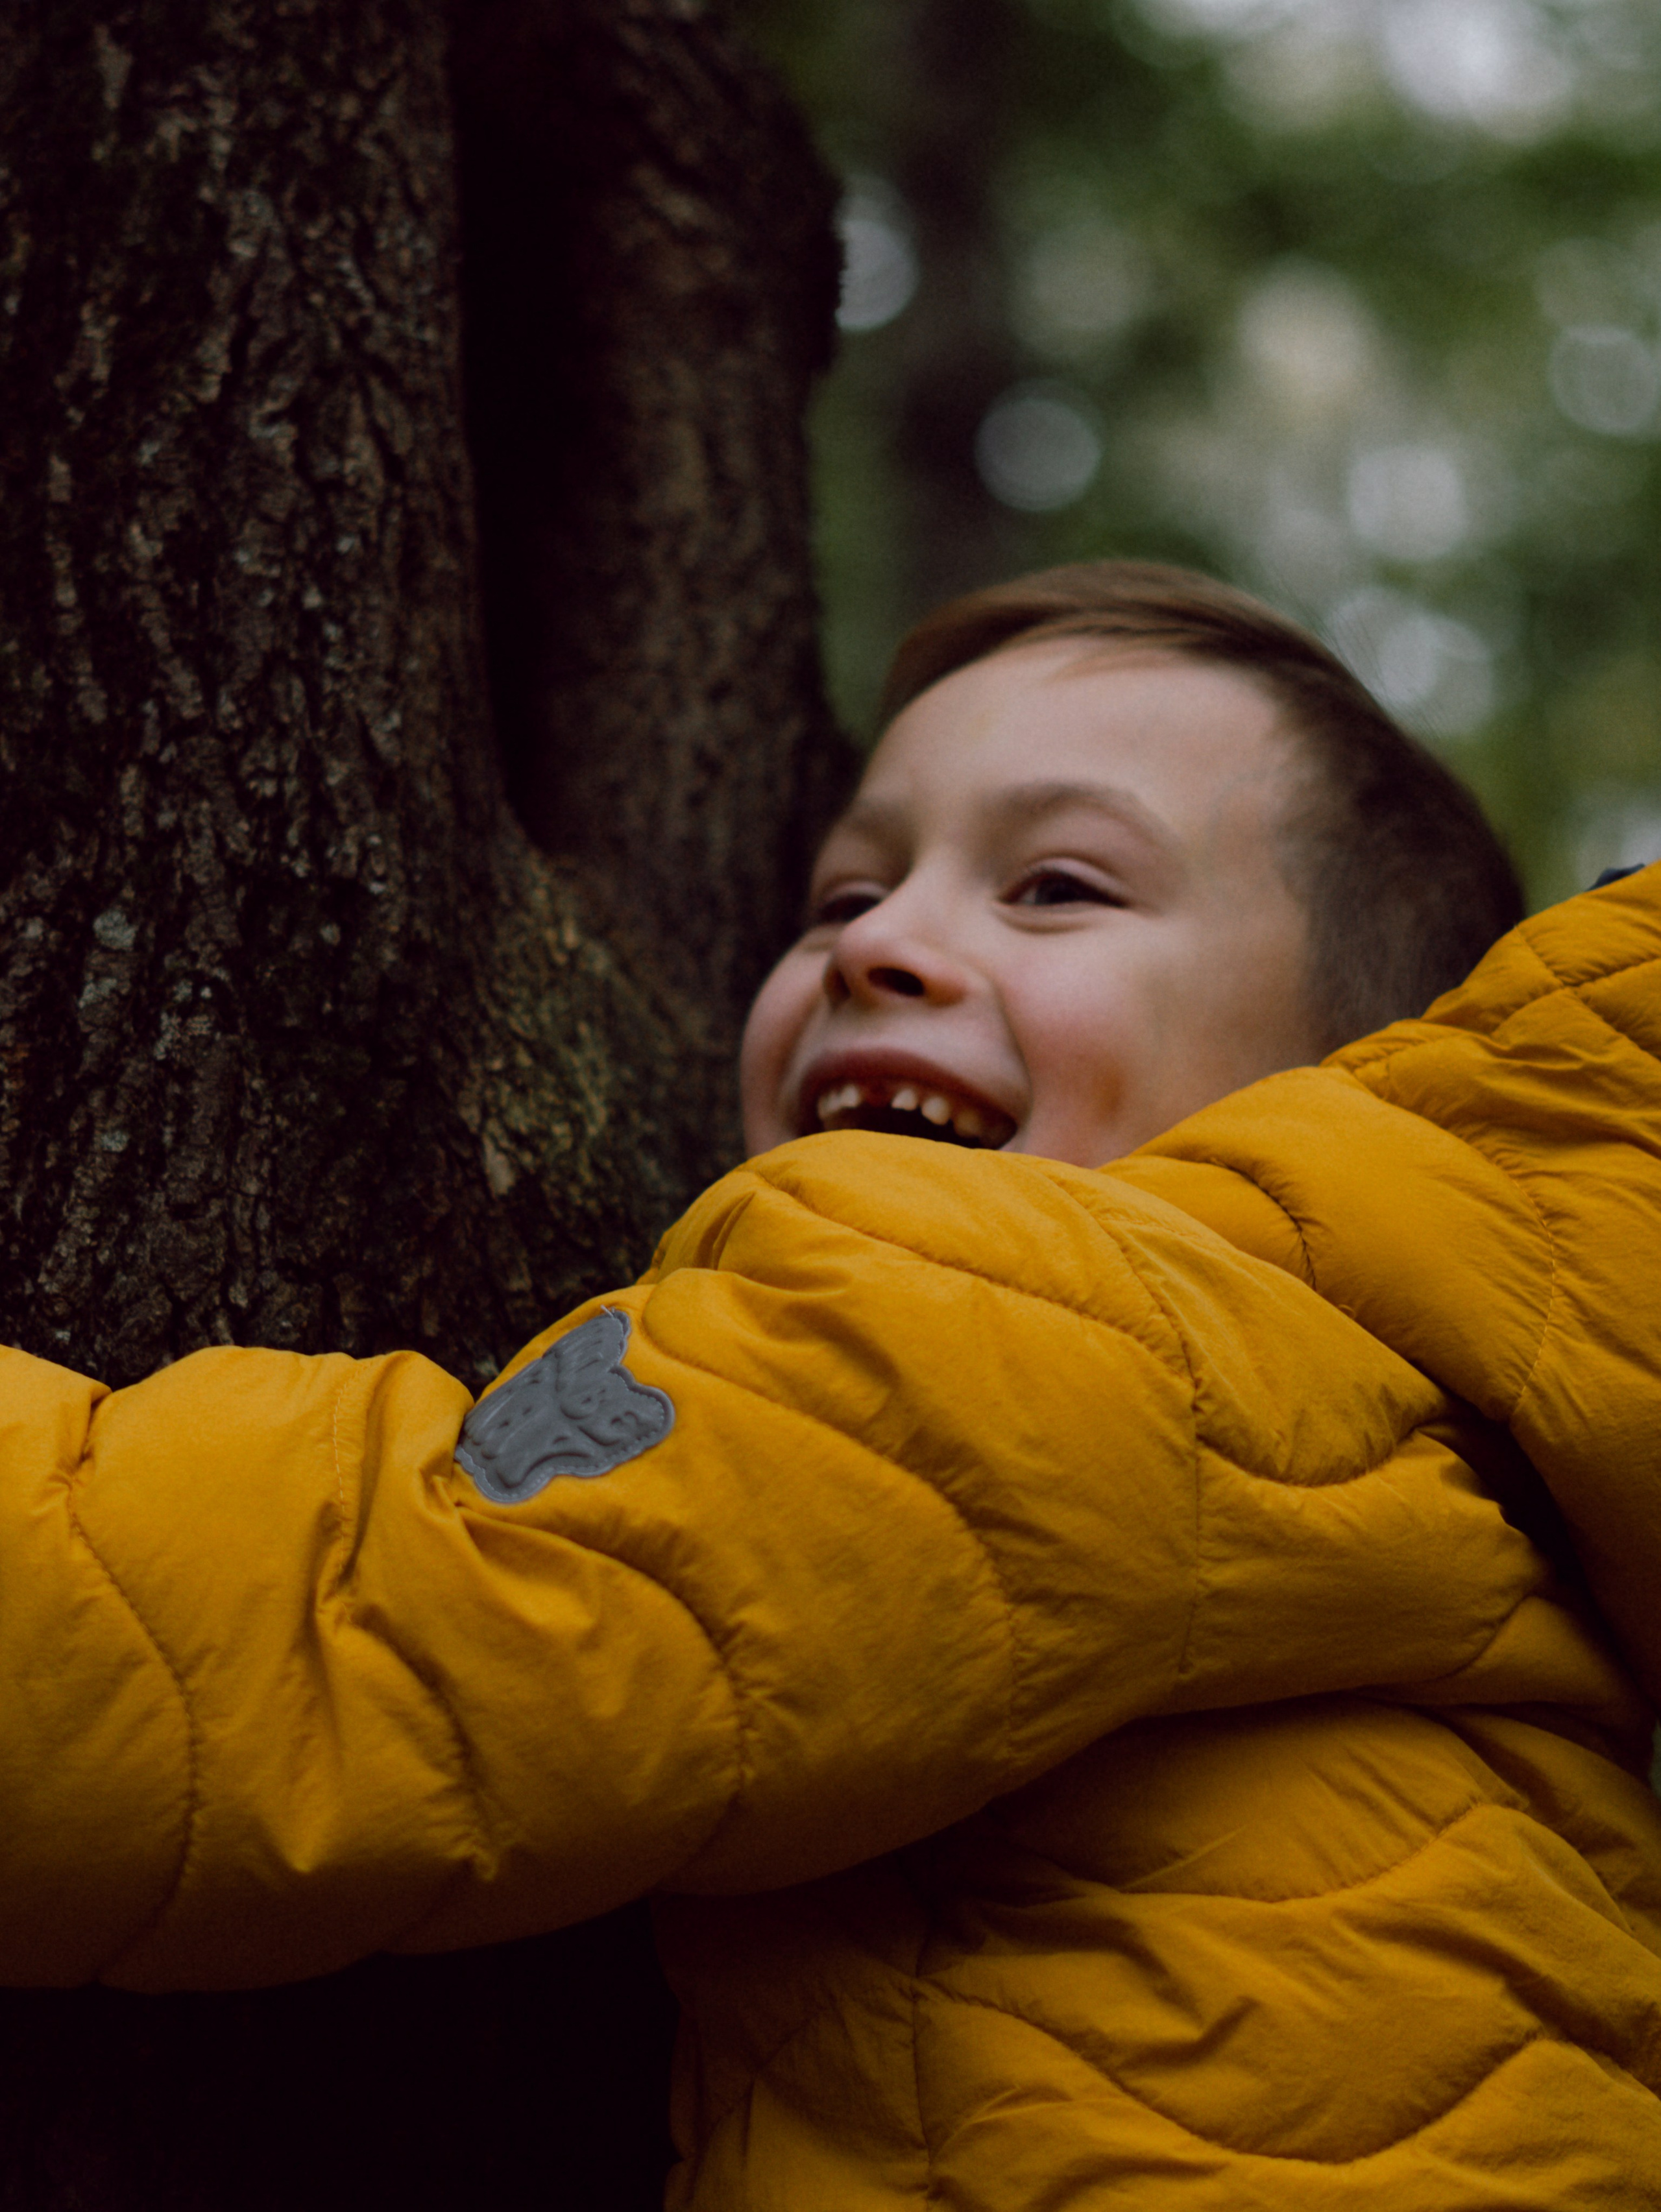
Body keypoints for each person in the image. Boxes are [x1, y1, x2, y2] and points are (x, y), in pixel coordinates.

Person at [3, 562, 1658, 2202]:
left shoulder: (1077, 1337)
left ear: (1335, 1078)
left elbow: (317, 1642)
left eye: (1055, 888)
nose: (882, 943)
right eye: (842, 894)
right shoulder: (1432, 1450)